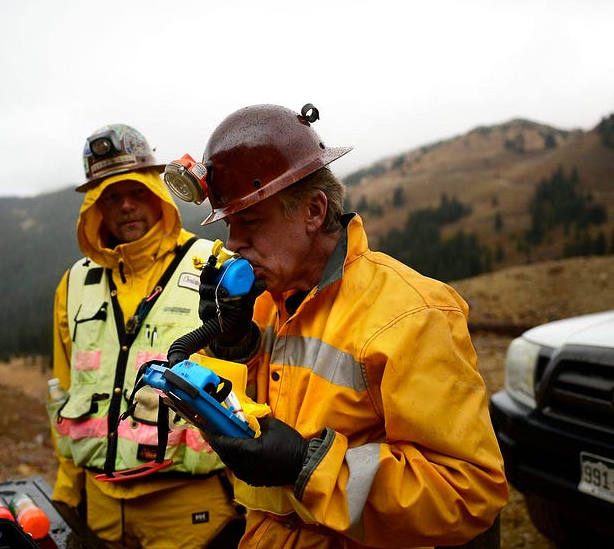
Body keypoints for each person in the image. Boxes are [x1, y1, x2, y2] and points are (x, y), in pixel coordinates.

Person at [163, 104, 509, 548]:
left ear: (313, 210)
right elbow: (251, 426)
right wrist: (234, 344)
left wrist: (306, 467)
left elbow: (468, 493)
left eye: (250, 221)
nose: (232, 244)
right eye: (230, 223)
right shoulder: (265, 305)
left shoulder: (412, 313)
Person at [49, 123, 245, 548]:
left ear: (157, 191)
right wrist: (66, 493)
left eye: (137, 191)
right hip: (98, 508)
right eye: (111, 197)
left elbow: (248, 389)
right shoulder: (73, 285)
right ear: (95, 207)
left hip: (189, 511)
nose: (126, 207)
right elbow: (65, 390)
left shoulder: (212, 266)